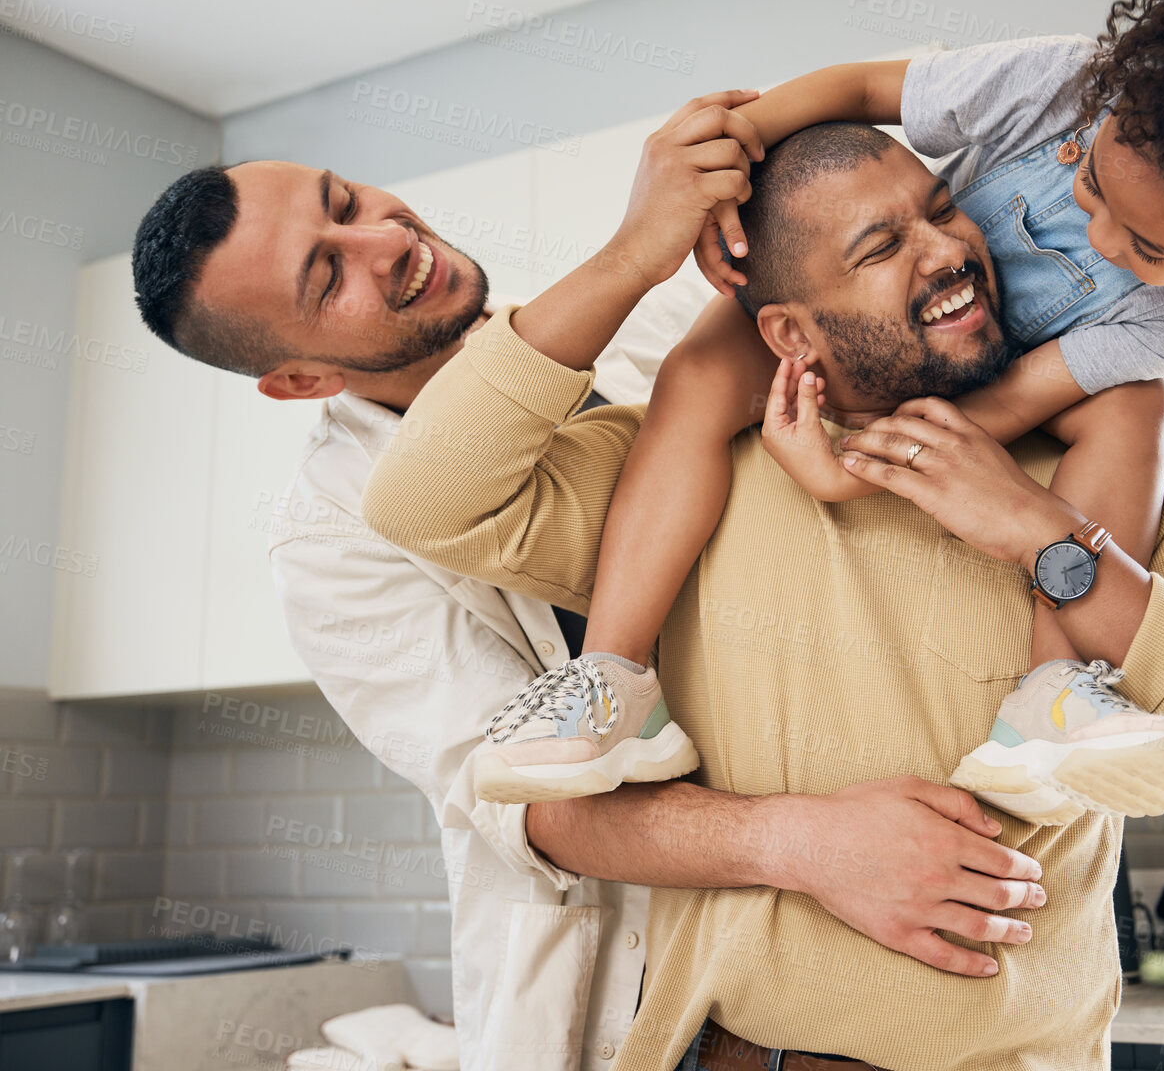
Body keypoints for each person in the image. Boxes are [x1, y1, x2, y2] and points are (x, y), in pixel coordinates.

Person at [479, 0, 1164, 829]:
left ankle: (1053, 694)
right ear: (1116, 93)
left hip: (993, 387)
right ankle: (613, 679)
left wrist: (856, 471)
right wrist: (733, 151)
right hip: (876, 366)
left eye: (1149, 249)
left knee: (1136, 408)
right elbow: (862, 86)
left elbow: (1018, 400)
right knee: (696, 371)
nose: (1106, 240)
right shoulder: (1059, 81)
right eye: (1093, 189)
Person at [359, 115, 1164, 1069]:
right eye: (882, 247)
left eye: (947, 211)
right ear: (788, 331)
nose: (952, 249)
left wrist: (1043, 537)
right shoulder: (691, 477)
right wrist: (632, 257)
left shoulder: (1125, 484)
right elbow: (425, 497)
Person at [131, 94, 1045, 1069]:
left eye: (346, 199)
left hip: (888, 967)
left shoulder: (658, 326)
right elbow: (537, 809)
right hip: (662, 1016)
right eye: (328, 273)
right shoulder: (332, 541)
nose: (384, 238)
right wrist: (808, 843)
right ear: (302, 380)